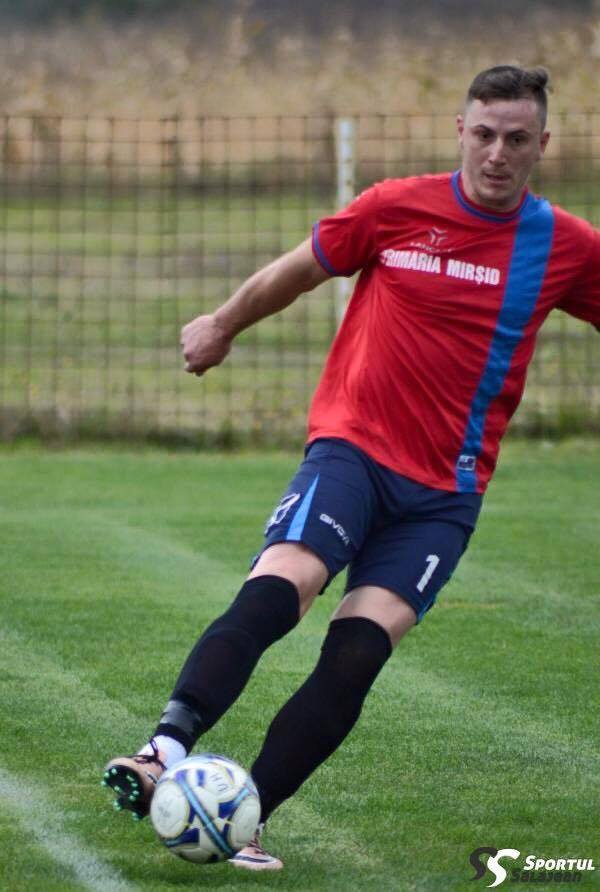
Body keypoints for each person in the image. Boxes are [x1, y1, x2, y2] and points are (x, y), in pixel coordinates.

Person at [102, 65, 600, 871]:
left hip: (445, 493)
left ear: (543, 144)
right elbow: (299, 269)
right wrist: (223, 324)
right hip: (353, 448)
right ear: (460, 132)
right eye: (483, 134)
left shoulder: (567, 247)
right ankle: (163, 747)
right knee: (284, 586)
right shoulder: (396, 207)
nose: (497, 154)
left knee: (358, 654)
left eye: (516, 139)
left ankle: (246, 817)